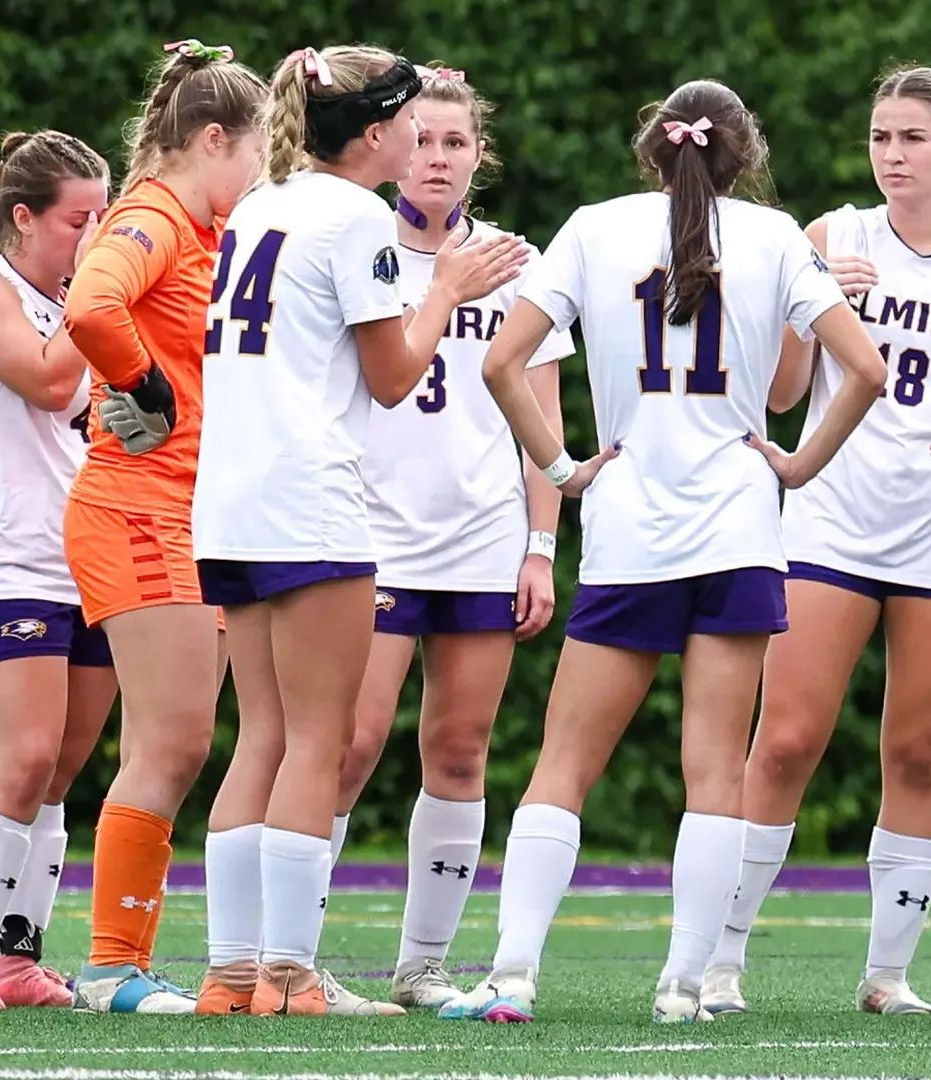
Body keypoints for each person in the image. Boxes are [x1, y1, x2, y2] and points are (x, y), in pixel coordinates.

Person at [448, 77, 886, 1025]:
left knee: (563, 761)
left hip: (628, 531)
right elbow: (868, 370)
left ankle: (513, 974)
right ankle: (685, 985)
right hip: (737, 532)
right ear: (744, 154)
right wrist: (801, 464)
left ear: (654, 148)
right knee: (715, 772)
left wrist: (564, 469)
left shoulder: (594, 226)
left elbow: (497, 363)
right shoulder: (776, 239)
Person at [189, 43, 529, 1018]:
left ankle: (233, 972)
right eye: (408, 126)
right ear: (375, 135)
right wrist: (447, 291)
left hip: (232, 501)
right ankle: (292, 977)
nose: (420, 142)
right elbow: (393, 375)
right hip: (311, 502)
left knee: (259, 736)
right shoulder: (355, 217)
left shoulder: (259, 202)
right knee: (315, 739)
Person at [703, 65, 931, 1019]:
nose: (891, 155)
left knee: (920, 750)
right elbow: (786, 393)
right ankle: (720, 959)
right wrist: (813, 302)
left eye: (912, 137)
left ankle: (887, 975)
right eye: (880, 137)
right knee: (786, 737)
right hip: (834, 519)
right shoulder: (832, 235)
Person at [326, 63, 573, 1011]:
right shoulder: (356, 245)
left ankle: (422, 966)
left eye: (456, 142)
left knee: (461, 751)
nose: (437, 157)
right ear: (391, 150)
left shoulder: (518, 258)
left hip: (481, 538)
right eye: (422, 139)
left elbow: (540, 424)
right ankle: (291, 959)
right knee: (347, 745)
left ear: (480, 156)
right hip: (372, 536)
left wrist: (540, 547)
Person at [58, 39, 268, 1015]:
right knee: (176, 741)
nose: (262, 175)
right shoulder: (155, 215)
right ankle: (110, 967)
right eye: (256, 152)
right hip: (138, 509)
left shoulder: (203, 227)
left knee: (169, 742)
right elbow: (92, 303)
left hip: (192, 515)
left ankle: (125, 964)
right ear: (213, 138)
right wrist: (138, 382)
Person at [0, 130, 114, 1011]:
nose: (100, 233)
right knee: (25, 754)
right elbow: (46, 382)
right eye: (83, 219)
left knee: (62, 768)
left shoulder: (80, 301)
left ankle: (17, 956)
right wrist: (104, 302)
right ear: (23, 217)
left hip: (89, 561)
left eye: (108, 216)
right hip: (6, 557)